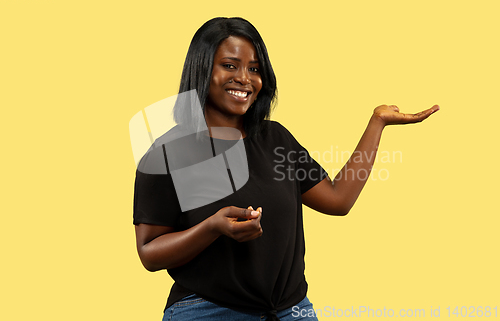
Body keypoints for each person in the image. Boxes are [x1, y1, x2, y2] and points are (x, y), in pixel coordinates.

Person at [133, 17, 439, 321]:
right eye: (230, 65)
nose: (245, 78)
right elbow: (149, 252)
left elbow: (338, 200)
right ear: (201, 69)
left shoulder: (275, 138)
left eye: (254, 69)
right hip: (209, 310)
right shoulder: (166, 152)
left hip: (291, 311)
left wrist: (377, 124)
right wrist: (212, 227)